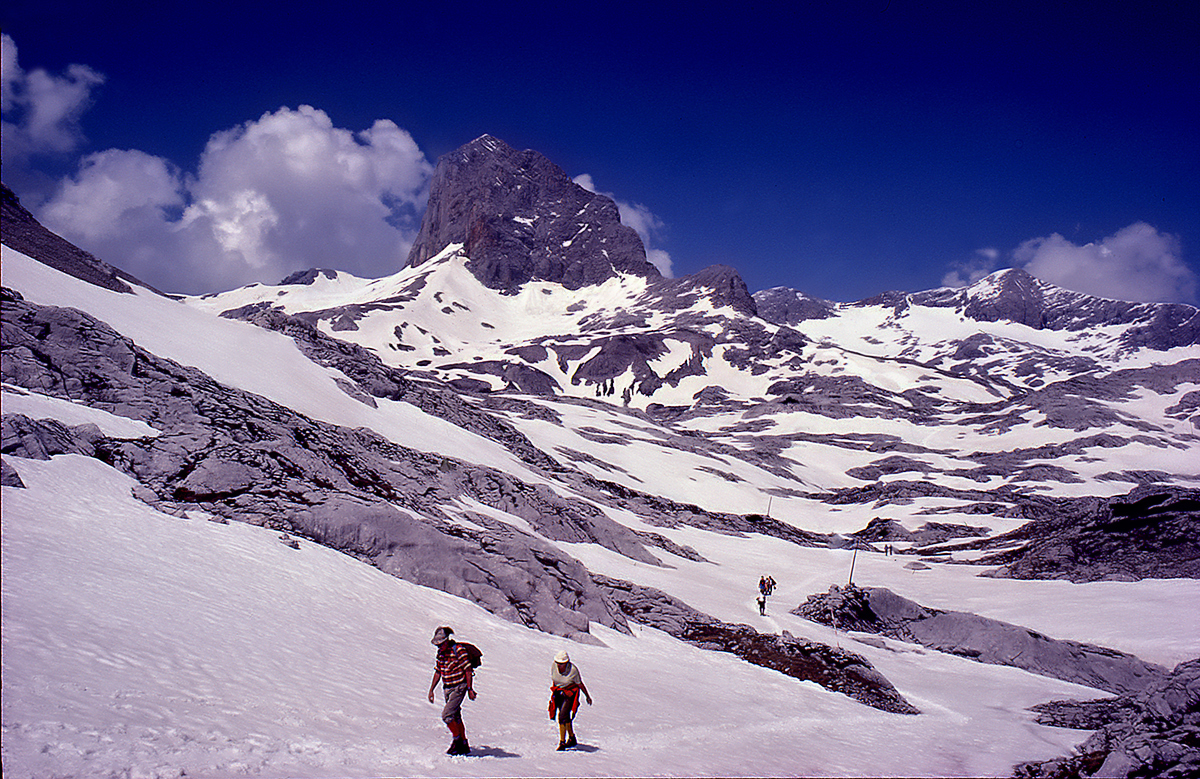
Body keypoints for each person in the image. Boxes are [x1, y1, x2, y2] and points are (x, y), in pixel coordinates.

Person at [427, 626, 477, 755]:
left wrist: (470, 689)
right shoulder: (440, 653)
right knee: (455, 716)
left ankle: (457, 741)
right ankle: (464, 743)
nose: (439, 647)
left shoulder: (458, 650)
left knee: (447, 715)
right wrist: (431, 689)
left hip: (459, 687)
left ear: (446, 640)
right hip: (447, 688)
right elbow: (438, 671)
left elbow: (468, 669)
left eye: (441, 644)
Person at [549, 650, 592, 750]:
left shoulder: (573, 670)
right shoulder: (553, 666)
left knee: (562, 716)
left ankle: (562, 742)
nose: (559, 666)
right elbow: (555, 680)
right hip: (558, 692)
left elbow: (579, 684)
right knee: (565, 717)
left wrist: (587, 696)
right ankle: (572, 737)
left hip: (569, 694)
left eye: (561, 664)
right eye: (558, 663)